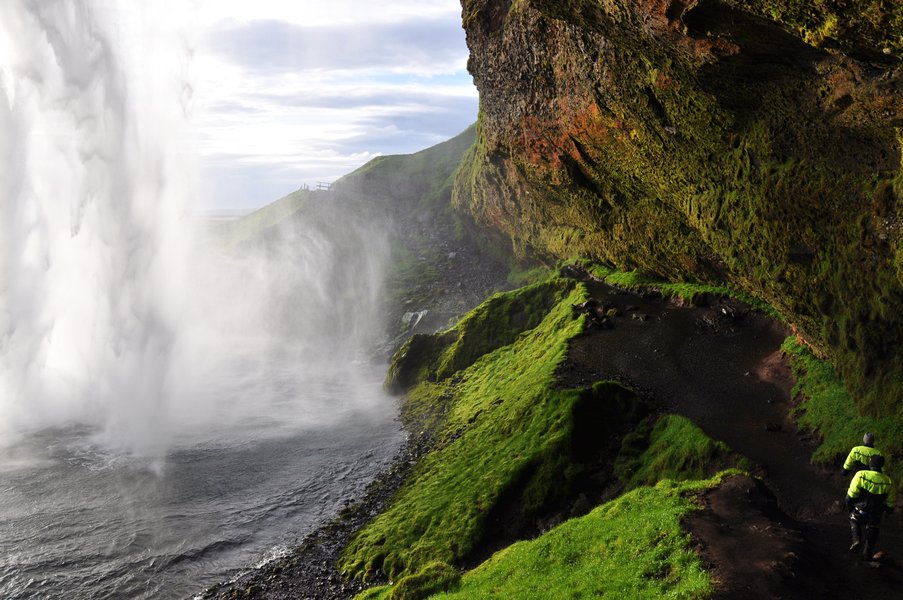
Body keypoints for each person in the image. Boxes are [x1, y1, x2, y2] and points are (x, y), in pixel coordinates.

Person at [846, 454, 895, 560]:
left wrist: (850, 508)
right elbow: (890, 503)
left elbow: (851, 495)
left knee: (853, 519)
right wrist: (888, 512)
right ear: (881, 465)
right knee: (873, 528)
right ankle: (867, 552)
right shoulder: (888, 481)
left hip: (861, 510)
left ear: (870, 463)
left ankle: (856, 540)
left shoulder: (861, 475)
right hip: (876, 514)